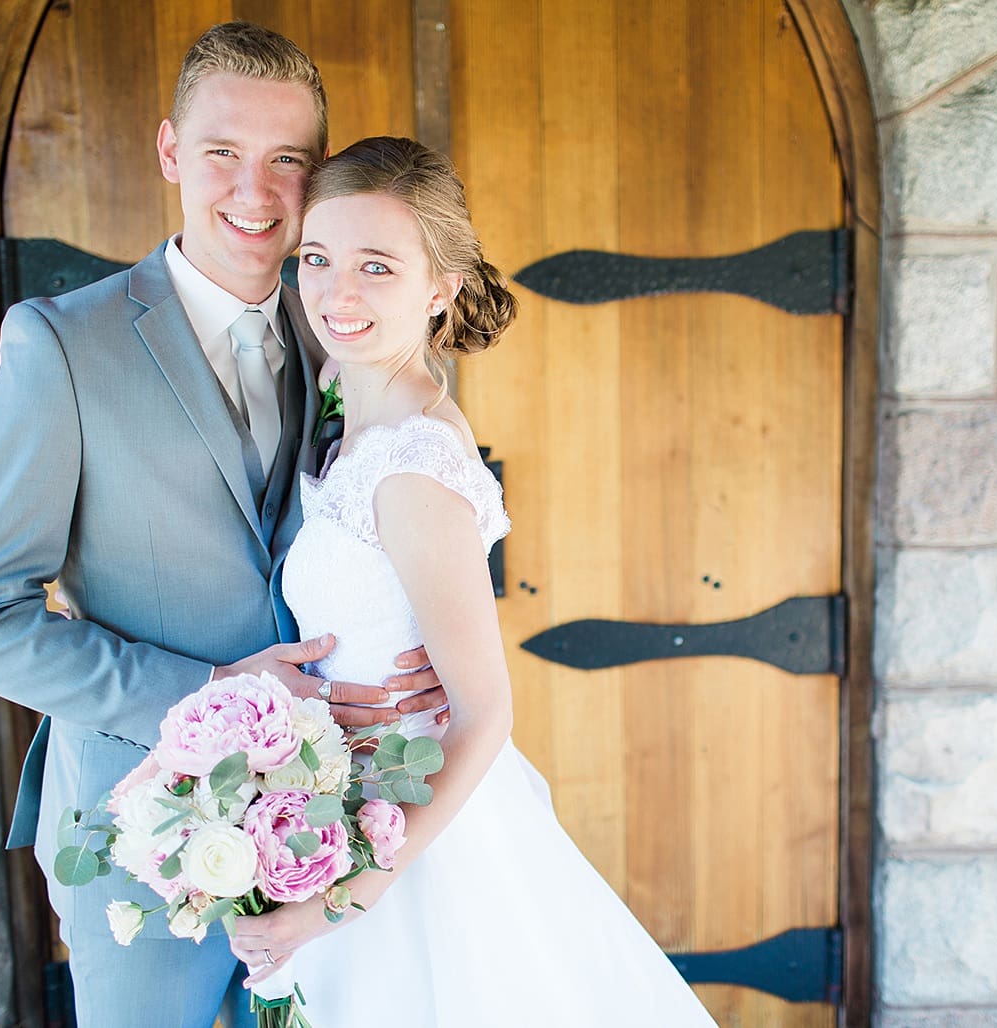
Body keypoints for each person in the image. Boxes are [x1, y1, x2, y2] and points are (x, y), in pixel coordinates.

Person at [0, 25, 447, 1028]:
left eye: (287, 161)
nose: (254, 192)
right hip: (141, 835)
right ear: (170, 152)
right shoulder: (62, 347)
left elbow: (413, 510)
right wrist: (207, 691)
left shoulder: (348, 331)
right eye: (221, 155)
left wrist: (415, 653)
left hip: (333, 834)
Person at [227, 136, 718, 1026]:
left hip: (413, 847)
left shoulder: (413, 467)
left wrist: (340, 903)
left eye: (377, 267)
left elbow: (484, 710)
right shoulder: (346, 399)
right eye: (318, 259)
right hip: (349, 798)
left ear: (439, 288)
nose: (337, 294)